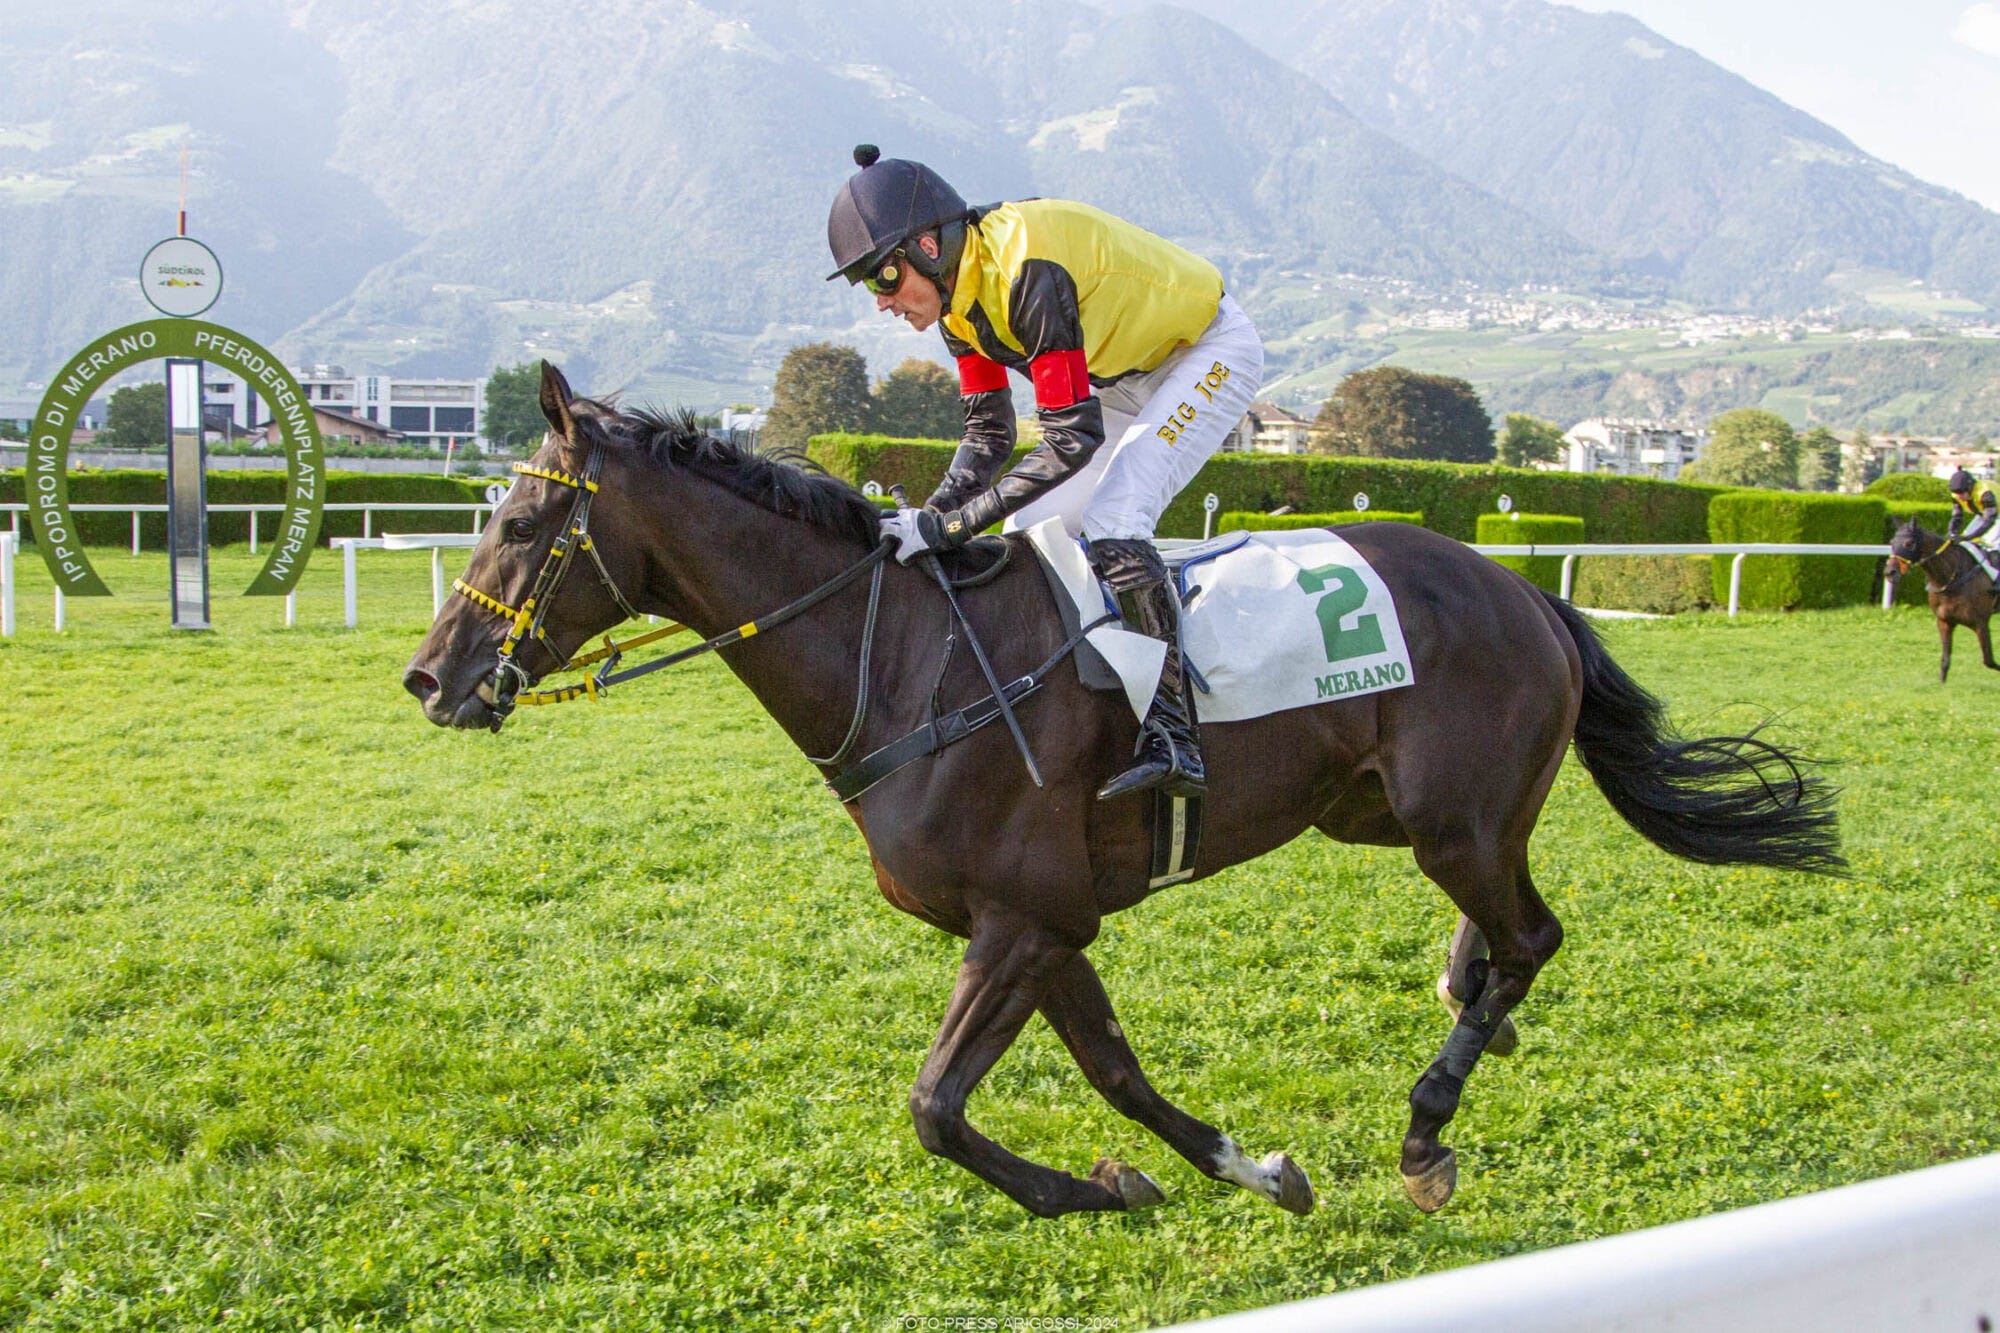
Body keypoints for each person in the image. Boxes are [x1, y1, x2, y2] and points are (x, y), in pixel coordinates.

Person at [825, 144, 1262, 801]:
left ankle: (1176, 733)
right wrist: (927, 520)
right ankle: (1077, 708)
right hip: (1122, 377)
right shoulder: (957, 305)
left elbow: (1069, 439)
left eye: (884, 277)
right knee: (1037, 533)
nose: (881, 302)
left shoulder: (1022, 266)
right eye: (867, 286)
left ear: (927, 246)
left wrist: (954, 525)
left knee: (1117, 518)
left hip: (1205, 352)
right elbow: (988, 434)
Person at [1946, 468, 1998, 547]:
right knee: (1966, 543)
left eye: (1961, 493)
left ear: (1970, 487)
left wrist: (1970, 537)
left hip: (1994, 515)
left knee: (1990, 544)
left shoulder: (1985, 494)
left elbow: (1990, 521)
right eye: (1957, 493)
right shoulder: (1956, 496)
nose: (1959, 497)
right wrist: (1952, 532)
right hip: (1984, 514)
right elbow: (1957, 516)